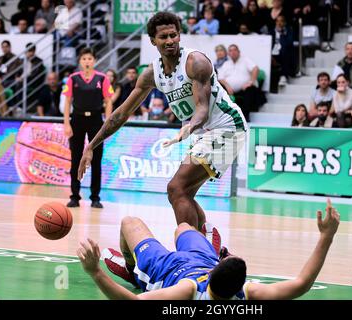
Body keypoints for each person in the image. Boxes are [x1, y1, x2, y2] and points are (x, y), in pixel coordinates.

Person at [77, 12, 248, 253]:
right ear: (152, 41)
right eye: (163, 37)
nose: (170, 40)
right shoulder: (151, 73)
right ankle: (211, 248)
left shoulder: (195, 62)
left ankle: (191, 254)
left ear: (179, 35)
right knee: (182, 193)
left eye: (174, 35)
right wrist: (90, 146)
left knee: (176, 188)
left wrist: (189, 127)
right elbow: (121, 114)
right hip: (203, 132)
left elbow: (201, 108)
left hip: (226, 128)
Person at [77, 199, 340, 300]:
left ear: (215, 272)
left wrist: (95, 272)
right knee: (182, 227)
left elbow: (133, 302)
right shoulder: (248, 294)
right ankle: (205, 248)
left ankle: (132, 269)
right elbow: (303, 283)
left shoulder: (187, 291)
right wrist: (327, 236)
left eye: (226, 259)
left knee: (129, 222)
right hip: (200, 259)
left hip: (166, 268)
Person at [63, 48, 113, 209]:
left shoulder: (102, 78)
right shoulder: (73, 78)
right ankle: (75, 196)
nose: (87, 61)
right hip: (76, 119)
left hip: (96, 120)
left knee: (96, 160)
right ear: (80, 61)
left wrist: (108, 123)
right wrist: (66, 122)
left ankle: (95, 197)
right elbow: (67, 101)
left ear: (94, 60)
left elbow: (109, 101)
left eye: (90, 58)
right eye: (84, 58)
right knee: (76, 159)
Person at [218, 44, 264, 121]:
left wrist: (250, 82)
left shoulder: (245, 60)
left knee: (250, 90)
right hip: (229, 89)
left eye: (235, 50)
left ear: (239, 52)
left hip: (245, 89)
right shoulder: (226, 64)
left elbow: (256, 69)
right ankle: (222, 118)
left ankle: (245, 118)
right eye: (230, 50)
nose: (233, 52)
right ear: (228, 53)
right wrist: (227, 86)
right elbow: (220, 78)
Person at [270, 15, 296, 89]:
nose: (279, 23)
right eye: (277, 21)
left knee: (285, 51)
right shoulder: (271, 32)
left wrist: (282, 34)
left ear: (284, 23)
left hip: (283, 52)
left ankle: (283, 76)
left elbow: (289, 42)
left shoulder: (289, 31)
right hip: (272, 53)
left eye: (281, 21)